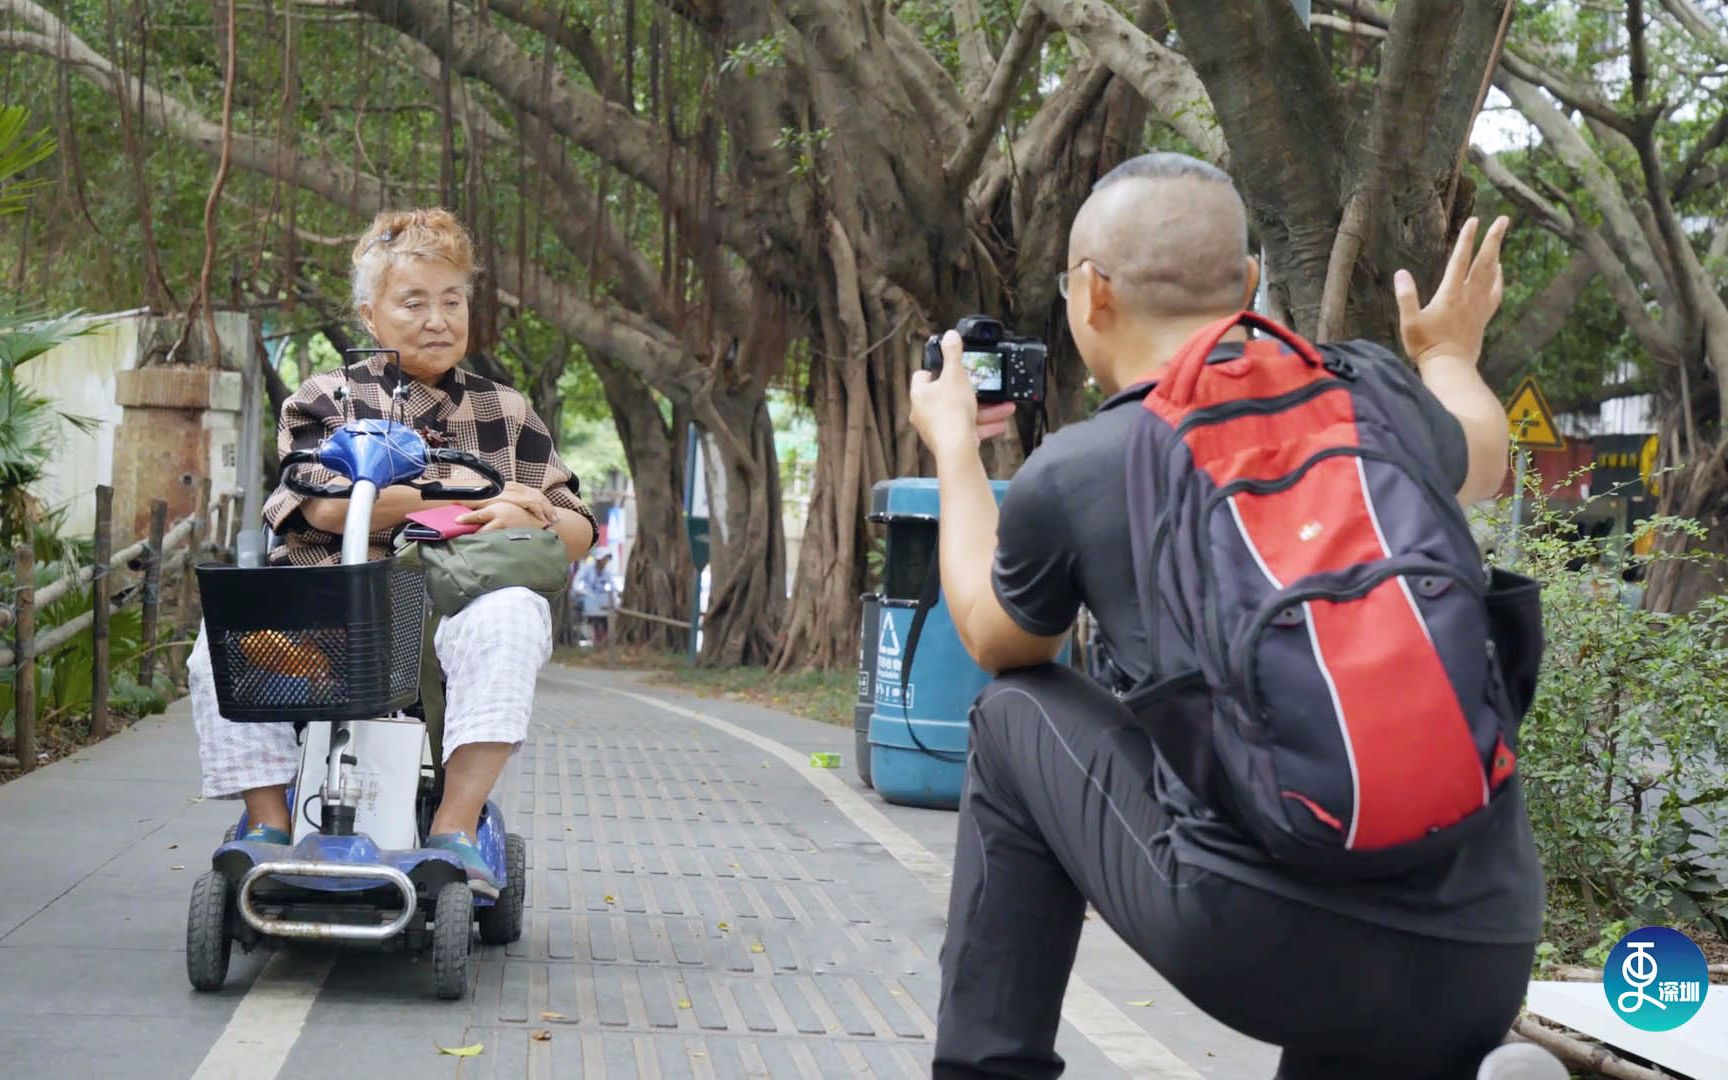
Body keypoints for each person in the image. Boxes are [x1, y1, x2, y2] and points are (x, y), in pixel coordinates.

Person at [908, 154, 1556, 1080]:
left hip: (1258, 940)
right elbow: (1484, 454)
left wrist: (954, 451)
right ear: (1250, 282)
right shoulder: (1374, 392)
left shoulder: (1089, 464)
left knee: (1014, 716)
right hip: (1483, 944)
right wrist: (1447, 353)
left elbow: (996, 634)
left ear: (1092, 294)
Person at [189, 208, 597, 896]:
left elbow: (575, 526)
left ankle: (455, 829)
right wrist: (488, 502)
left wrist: (529, 509)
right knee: (218, 642)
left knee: (515, 615)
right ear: (370, 315)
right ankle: (265, 823)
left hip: (447, 613)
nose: (438, 319)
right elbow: (323, 506)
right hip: (328, 610)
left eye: (452, 300)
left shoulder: (506, 410)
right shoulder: (326, 398)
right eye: (414, 302)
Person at [576, 549, 618, 645]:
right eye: (604, 559)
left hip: (603, 603)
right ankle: (595, 639)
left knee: (605, 622)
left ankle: (603, 641)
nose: (605, 562)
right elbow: (577, 583)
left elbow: (612, 587)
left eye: (606, 560)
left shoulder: (607, 573)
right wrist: (581, 590)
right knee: (594, 621)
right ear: (598, 560)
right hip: (589, 600)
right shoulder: (587, 569)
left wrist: (613, 595)